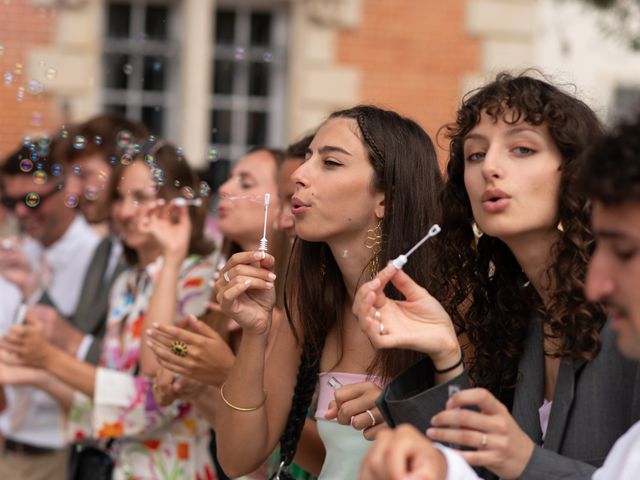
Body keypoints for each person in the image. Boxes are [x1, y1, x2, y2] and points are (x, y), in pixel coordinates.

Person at [352, 73, 640, 479]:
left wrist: (526, 461)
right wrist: (446, 355)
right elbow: (475, 470)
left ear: (576, 172)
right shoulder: (523, 320)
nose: (490, 167)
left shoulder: (629, 316)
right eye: (474, 154)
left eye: (522, 149)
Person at [209, 105, 443, 479]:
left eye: (330, 163)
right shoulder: (313, 302)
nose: (300, 175)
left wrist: (407, 417)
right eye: (307, 158)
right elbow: (238, 458)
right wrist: (255, 333)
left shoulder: (445, 306)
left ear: (387, 198)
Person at [0, 140, 219, 479]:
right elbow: (109, 399)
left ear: (178, 204)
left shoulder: (199, 278)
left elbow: (153, 401)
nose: (126, 211)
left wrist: (49, 360)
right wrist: (31, 373)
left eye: (141, 198)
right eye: (119, 197)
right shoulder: (126, 285)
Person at [0, 137, 100, 480]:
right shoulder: (18, 253)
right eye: (11, 202)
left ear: (67, 189)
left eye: (32, 200)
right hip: (8, 443)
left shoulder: (99, 258)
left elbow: (97, 356)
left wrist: (34, 289)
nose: (21, 213)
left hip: (65, 452)